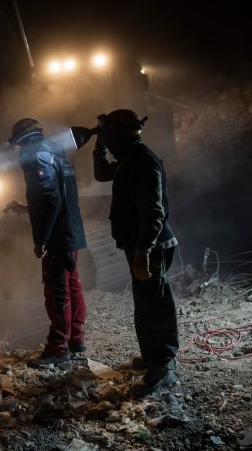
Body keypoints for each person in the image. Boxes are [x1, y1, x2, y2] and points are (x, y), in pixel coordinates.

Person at [92, 109, 179, 394]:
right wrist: (98, 147)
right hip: (139, 243)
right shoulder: (130, 158)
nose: (108, 141)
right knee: (144, 302)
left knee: (156, 302)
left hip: (151, 244)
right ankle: (154, 357)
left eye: (109, 136)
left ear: (120, 135)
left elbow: (154, 213)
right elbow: (102, 173)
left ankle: (164, 364)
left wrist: (143, 251)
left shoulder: (143, 162)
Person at [4, 118, 87, 368]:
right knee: (72, 285)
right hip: (70, 232)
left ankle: (58, 348)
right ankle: (75, 340)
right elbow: (55, 196)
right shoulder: (56, 151)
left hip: (57, 238)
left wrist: (41, 239)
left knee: (57, 290)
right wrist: (26, 208)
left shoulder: (36, 156)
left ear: (22, 141)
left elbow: (51, 199)